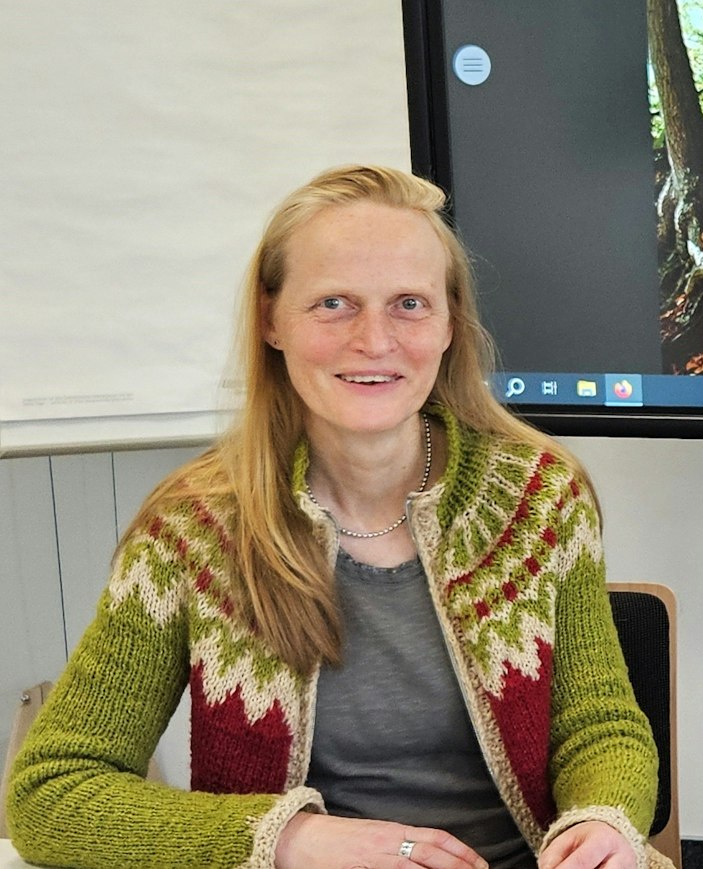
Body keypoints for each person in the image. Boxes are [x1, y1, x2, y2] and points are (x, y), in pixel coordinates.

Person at [6, 165, 667, 869]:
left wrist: (606, 821)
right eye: (333, 303)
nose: (375, 339)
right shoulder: (191, 529)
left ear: (449, 323)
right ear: (271, 320)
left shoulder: (540, 494)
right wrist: (289, 838)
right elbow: (52, 792)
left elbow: (600, 726)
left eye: (409, 302)